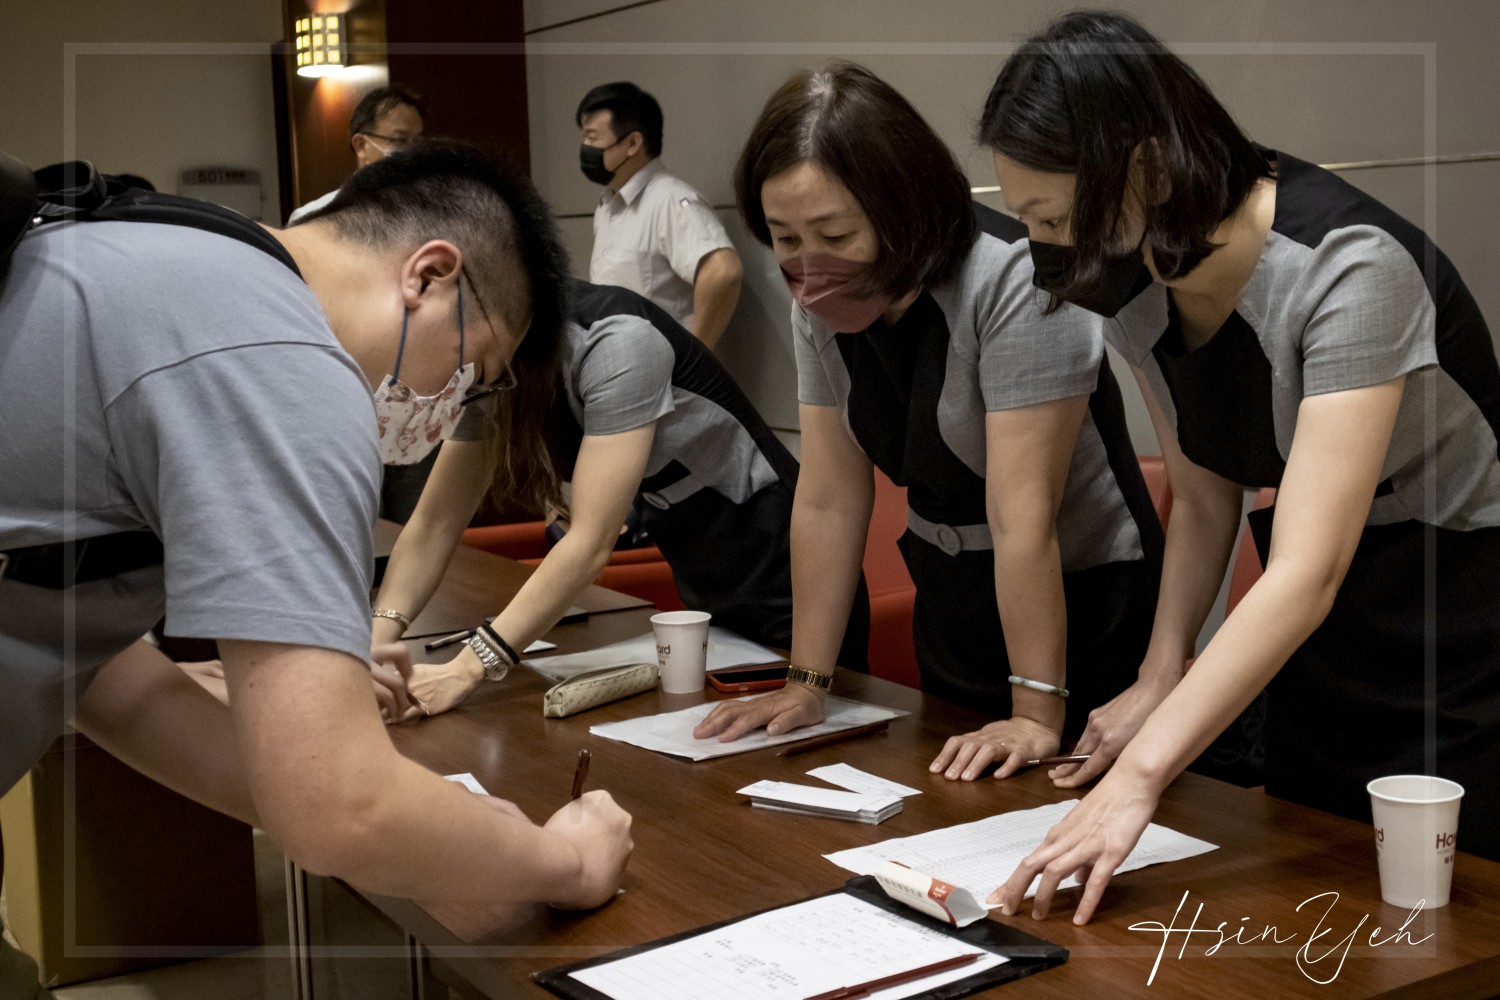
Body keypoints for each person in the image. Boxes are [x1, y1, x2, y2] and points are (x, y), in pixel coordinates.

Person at [0, 142, 634, 990]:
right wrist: (564, 863)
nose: (450, 406)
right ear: (429, 276)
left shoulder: (168, 252)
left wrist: (300, 727)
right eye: (473, 372)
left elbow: (102, 672)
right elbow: (342, 809)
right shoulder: (281, 359)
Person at [979, 11, 1500, 926]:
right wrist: (1160, 675)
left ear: (1146, 168)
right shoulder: (1136, 276)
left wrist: (1142, 775)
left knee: (1444, 919)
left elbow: (1306, 571)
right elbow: (1203, 494)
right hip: (1316, 630)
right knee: (1312, 886)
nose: (1048, 249)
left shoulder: (1348, 266)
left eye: (1054, 219)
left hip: (1454, 604)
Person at [693, 65, 1163, 781]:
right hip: (953, 595)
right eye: (785, 239)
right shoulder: (817, 307)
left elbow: (1022, 516)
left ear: (902, 206)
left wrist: (1036, 713)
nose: (809, 267)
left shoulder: (1014, 277)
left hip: (1083, 601)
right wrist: (807, 682)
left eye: (834, 233)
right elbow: (828, 497)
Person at [373, 278, 871, 719]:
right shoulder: (491, 368)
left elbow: (590, 543)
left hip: (782, 560)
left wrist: (466, 669)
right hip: (700, 564)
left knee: (813, 734)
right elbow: (435, 523)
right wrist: (375, 649)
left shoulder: (616, 342)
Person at [578, 81, 743, 349]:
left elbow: (723, 270)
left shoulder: (670, 200)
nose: (585, 147)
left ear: (632, 143)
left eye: (593, 138)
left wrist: (696, 355)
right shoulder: (608, 205)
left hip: (661, 370)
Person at [288, 84, 426, 224]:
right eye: (400, 140)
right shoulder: (315, 218)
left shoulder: (428, 212)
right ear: (361, 146)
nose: (413, 151)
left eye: (418, 142)